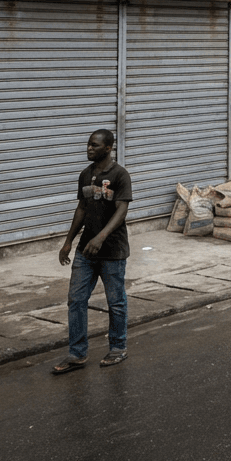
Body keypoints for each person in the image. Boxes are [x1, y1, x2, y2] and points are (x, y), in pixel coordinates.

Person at [53, 129, 133, 373]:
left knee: (115, 302)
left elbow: (122, 210)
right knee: (76, 300)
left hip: (112, 250)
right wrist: (68, 241)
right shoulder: (86, 175)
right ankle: (77, 354)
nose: (89, 149)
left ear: (108, 148)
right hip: (85, 250)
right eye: (88, 145)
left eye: (94, 145)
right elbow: (81, 209)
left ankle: (118, 347)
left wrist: (101, 237)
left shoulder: (120, 175)